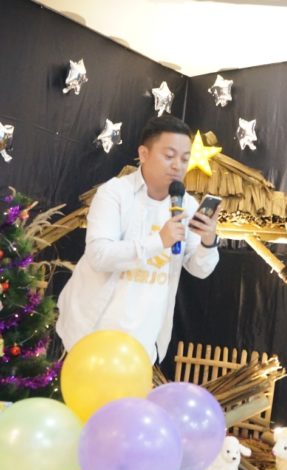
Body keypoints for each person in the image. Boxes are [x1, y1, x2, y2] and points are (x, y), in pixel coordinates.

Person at [56, 115, 220, 363]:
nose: (178, 165)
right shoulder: (114, 193)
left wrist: (208, 240)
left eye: (185, 159)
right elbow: (99, 256)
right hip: (93, 332)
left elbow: (200, 269)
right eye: (169, 156)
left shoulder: (186, 204)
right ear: (144, 154)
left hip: (143, 341)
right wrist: (158, 241)